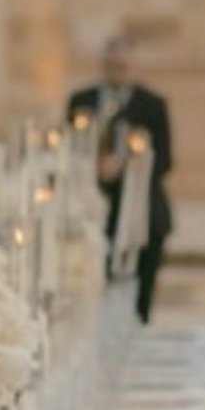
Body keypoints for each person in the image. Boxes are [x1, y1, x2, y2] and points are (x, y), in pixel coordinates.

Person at [67, 35, 173, 323]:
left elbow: (164, 160)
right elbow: (68, 150)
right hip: (94, 208)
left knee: (139, 296)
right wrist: (93, 165)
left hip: (140, 211)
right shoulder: (82, 102)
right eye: (112, 65)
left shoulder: (151, 104)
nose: (117, 72)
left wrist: (127, 165)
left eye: (123, 66)